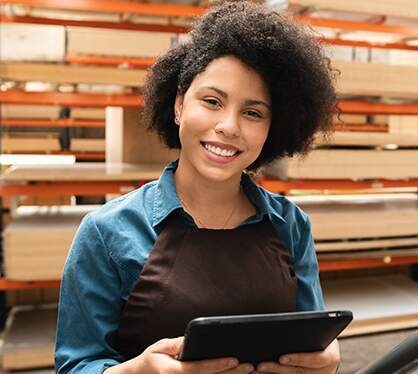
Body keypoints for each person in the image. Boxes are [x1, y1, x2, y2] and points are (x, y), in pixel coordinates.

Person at [54, 1, 339, 373]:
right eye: (212, 101)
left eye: (252, 112)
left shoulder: (291, 226)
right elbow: (75, 366)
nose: (229, 126)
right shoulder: (107, 233)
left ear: (273, 128)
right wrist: (137, 371)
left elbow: (311, 343)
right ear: (177, 105)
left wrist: (324, 364)